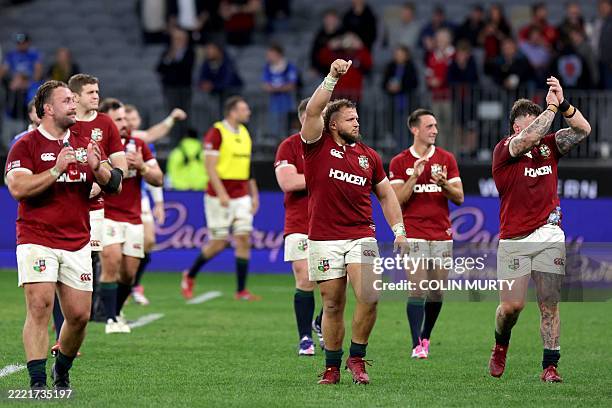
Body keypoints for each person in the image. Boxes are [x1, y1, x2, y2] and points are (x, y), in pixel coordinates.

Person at [5, 80, 119, 390]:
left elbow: (115, 184)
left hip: (77, 240)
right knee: (39, 306)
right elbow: (18, 188)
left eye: (73, 98)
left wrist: (102, 170)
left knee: (79, 316)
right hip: (36, 237)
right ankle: (38, 383)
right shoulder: (25, 145)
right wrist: (55, 170)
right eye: (67, 100)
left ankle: (62, 368)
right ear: (48, 110)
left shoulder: (85, 142)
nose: (74, 104)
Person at [300, 59, 407, 385]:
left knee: (371, 295)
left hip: (362, 235)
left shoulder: (369, 157)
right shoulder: (316, 145)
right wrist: (332, 77)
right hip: (323, 238)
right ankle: (332, 367)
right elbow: (315, 109)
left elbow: (387, 196)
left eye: (358, 118)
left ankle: (357, 358)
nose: (356, 123)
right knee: (332, 304)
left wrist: (399, 231)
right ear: (333, 124)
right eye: (350, 119)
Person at [489, 77, 591, 382]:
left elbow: (583, 130)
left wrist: (564, 104)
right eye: (532, 124)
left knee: (549, 302)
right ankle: (500, 344)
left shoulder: (550, 146)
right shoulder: (505, 150)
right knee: (511, 307)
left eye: (540, 122)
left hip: (550, 234)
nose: (541, 129)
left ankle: (550, 366)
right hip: (515, 238)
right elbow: (531, 137)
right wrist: (549, 107)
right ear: (517, 128)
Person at [389, 108, 463, 359]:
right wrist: (414, 177)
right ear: (415, 129)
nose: (435, 130)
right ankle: (415, 344)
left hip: (441, 233)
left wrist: (444, 184)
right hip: (414, 233)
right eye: (429, 126)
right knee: (417, 289)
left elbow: (460, 198)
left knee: (436, 291)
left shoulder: (446, 159)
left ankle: (426, 336)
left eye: (435, 126)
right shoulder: (400, 161)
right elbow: (396, 200)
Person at [181, 96, 260, 301]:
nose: (248, 112)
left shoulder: (244, 133)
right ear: (233, 112)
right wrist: (222, 192)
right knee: (219, 242)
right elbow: (209, 166)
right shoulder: (216, 132)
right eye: (244, 108)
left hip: (241, 193)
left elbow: (248, 167)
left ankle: (241, 290)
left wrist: (254, 194)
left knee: (243, 238)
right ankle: (189, 275)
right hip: (219, 195)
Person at [98, 98, 164, 333]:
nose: (124, 123)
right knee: (112, 260)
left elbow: (159, 178)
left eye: (125, 118)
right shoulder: (99, 146)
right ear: (105, 121)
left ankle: (115, 311)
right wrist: (114, 167)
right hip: (107, 214)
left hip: (133, 217)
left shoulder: (138, 145)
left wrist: (143, 168)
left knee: (128, 273)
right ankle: (111, 318)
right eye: (118, 119)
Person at [68, 74, 127, 329]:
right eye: (91, 92)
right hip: (65, 203)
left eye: (97, 91)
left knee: (92, 257)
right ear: (76, 96)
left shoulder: (105, 124)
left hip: (95, 204)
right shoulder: (65, 122)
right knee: (69, 259)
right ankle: (69, 316)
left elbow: (119, 164)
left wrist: (104, 181)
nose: (96, 96)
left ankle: (92, 312)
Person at [274, 98, 324, 356]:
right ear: (303, 118)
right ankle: (305, 337)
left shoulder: (334, 145)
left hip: (331, 223)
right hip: (300, 222)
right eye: (314, 115)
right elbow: (288, 181)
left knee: (337, 281)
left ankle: (321, 322)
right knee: (305, 277)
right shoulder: (289, 146)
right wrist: (324, 177)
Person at [124, 104, 184, 304]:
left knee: (149, 241)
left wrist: (158, 202)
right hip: (114, 201)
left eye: (134, 119)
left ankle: (134, 284)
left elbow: (153, 172)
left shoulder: (142, 142)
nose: (131, 123)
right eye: (127, 119)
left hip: (139, 198)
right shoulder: (112, 140)